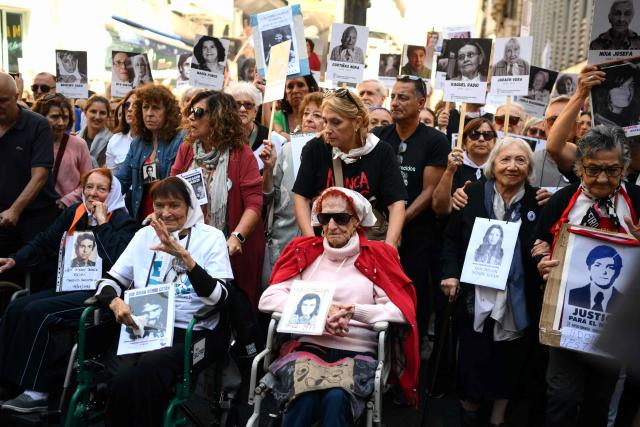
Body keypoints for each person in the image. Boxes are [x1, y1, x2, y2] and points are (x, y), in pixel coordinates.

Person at [259, 187, 418, 426]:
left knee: (336, 398)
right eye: (324, 218)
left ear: (356, 221)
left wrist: (355, 311)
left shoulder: (375, 257)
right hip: (309, 347)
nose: (332, 225)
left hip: (357, 351)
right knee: (304, 397)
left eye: (341, 218)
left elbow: (400, 310)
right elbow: (268, 299)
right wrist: (322, 312)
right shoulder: (306, 254)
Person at [93, 176, 233, 427]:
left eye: (174, 205)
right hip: (143, 326)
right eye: (159, 205)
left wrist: (185, 259)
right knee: (121, 374)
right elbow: (110, 281)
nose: (165, 213)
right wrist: (115, 302)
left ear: (190, 206)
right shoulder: (143, 236)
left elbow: (219, 297)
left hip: (190, 330)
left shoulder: (211, 237)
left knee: (148, 368)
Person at [0, 168, 136, 413]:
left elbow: (119, 261)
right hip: (69, 284)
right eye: (89, 187)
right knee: (17, 306)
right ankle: (9, 381)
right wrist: (16, 260)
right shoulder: (76, 212)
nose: (94, 194)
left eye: (101, 189)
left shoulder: (123, 221)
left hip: (100, 294)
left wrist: (103, 224)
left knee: (38, 312)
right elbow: (46, 240)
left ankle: (36, 392)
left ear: (112, 192)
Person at [534, 125, 640, 427]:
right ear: (579, 167)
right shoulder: (562, 200)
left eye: (613, 170)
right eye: (593, 170)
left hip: (615, 323)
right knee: (562, 395)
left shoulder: (638, 202)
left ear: (625, 167)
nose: (603, 179)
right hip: (565, 318)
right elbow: (537, 240)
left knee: (599, 399)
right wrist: (542, 261)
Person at [441, 137, 543, 427]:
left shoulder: (538, 200)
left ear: (529, 167)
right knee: (474, 351)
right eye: (505, 160)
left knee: (510, 356)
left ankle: (499, 415)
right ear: (492, 165)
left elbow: (542, 243)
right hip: (476, 292)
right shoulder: (471, 195)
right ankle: (469, 406)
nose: (512, 167)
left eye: (520, 160)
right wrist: (449, 274)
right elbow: (450, 240)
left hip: (517, 297)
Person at [170, 90, 264, 310]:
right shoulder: (186, 150)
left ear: (218, 117)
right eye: (190, 111)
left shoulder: (242, 154)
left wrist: (236, 237)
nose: (191, 117)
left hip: (232, 248)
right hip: (193, 243)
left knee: (232, 309)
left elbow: (254, 203)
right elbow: (172, 190)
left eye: (199, 111)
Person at [372, 75, 449, 342]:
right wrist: (385, 225)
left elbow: (430, 191)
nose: (395, 102)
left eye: (403, 97)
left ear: (421, 102)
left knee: (411, 302)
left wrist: (399, 222)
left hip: (419, 236)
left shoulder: (435, 141)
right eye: (393, 96)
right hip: (379, 233)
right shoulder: (378, 136)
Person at [293, 88, 407, 247]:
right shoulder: (316, 148)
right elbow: (301, 196)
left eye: (336, 122)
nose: (328, 129)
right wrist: (311, 242)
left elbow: (396, 204)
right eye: (325, 121)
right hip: (325, 245)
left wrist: (389, 247)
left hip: (367, 245)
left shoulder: (381, 151)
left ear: (357, 122)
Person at [0, 73, 59, 289]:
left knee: (34, 276)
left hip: (35, 215)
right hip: (2, 217)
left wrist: (15, 210)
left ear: (16, 96)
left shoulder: (38, 126)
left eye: (3, 101)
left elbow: (40, 174)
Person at [259, 92, 325, 286]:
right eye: (306, 113)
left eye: (317, 115)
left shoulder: (333, 153)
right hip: (283, 240)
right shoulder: (286, 150)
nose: (309, 119)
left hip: (318, 241)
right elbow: (268, 197)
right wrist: (269, 170)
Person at [116, 84, 185, 220]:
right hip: (143, 217)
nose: (149, 113)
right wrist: (98, 191)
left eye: (156, 108)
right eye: (145, 107)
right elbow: (121, 180)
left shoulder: (180, 139)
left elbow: (181, 185)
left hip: (170, 217)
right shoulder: (137, 143)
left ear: (168, 112)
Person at [32, 93, 92, 209]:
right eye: (55, 117)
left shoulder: (79, 144)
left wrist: (67, 201)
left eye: (65, 117)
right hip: (35, 210)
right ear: (41, 117)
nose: (61, 123)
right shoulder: (31, 143)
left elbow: (88, 182)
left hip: (67, 211)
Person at [432, 118, 497, 216]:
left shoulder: (499, 170)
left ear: (494, 141)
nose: (481, 139)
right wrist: (449, 171)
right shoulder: (453, 164)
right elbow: (439, 208)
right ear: (464, 141)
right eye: (474, 134)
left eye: (487, 135)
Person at [567, 245, 622, 312]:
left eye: (610, 267)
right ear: (589, 268)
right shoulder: (572, 294)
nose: (604, 272)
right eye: (598, 265)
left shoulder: (624, 301)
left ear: (617, 272)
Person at [592, 64, 640, 128]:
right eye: (620, 86)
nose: (628, 92)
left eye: (630, 86)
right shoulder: (597, 122)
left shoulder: (634, 119)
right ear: (607, 90)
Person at [225, 81, 268, 151]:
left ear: (256, 110)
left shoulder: (267, 136)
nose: (242, 109)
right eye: (236, 104)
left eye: (248, 104)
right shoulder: (222, 135)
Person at [106, 90, 137, 174]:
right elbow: (112, 178)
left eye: (136, 105)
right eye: (127, 105)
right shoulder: (115, 140)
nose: (130, 109)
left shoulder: (154, 139)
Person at [77, 95, 113, 167]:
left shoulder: (113, 141)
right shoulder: (75, 138)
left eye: (102, 113)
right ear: (85, 113)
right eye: (93, 111)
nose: (97, 117)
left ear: (107, 116)